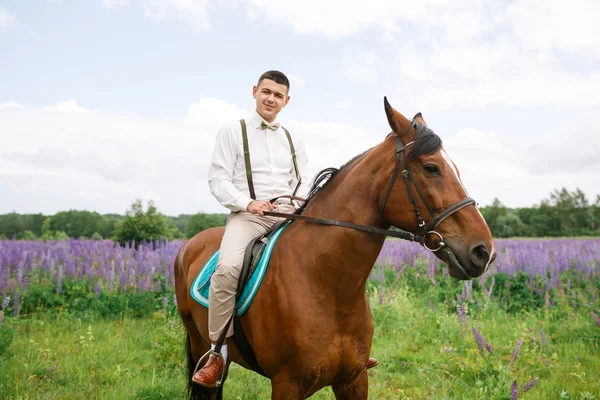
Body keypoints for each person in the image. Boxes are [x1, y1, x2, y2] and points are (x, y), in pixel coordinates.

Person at [193, 70, 378, 388]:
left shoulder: (294, 137)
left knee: (331, 262)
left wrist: (302, 206)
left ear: (286, 101)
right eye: (266, 92)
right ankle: (217, 353)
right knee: (227, 268)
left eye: (278, 95)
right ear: (254, 91)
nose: (271, 99)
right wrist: (247, 202)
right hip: (249, 216)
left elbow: (304, 180)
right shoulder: (232, 131)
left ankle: (346, 345)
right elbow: (218, 179)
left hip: (291, 217)